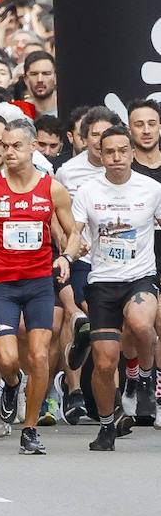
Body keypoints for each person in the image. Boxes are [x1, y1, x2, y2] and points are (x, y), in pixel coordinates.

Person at [0, 118, 80, 455]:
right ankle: (13, 385)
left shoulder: (51, 188)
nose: (6, 152)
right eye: (1, 145)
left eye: (14, 146)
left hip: (40, 282)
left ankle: (29, 429)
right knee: (7, 358)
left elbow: (73, 233)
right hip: (3, 285)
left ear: (32, 148)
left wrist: (66, 258)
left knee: (39, 354)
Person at [70, 126, 161, 451]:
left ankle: (145, 379)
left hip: (140, 276)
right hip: (103, 282)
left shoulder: (151, 189)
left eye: (123, 150)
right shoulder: (89, 191)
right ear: (101, 155)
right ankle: (107, 425)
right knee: (106, 362)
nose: (117, 157)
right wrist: (71, 251)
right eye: (110, 152)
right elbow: (76, 230)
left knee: (140, 323)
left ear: (133, 153)